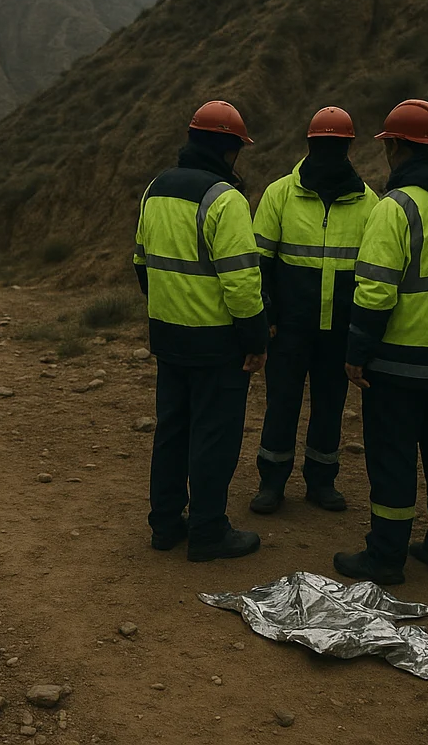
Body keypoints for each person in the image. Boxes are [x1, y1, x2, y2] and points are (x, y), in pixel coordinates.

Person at [333, 99, 428, 585]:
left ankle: (385, 557)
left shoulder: (396, 207)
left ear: (396, 146)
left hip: (399, 361)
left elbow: (375, 291)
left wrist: (357, 353)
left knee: (393, 458)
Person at [133, 101, 269, 562]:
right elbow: (242, 283)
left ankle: (165, 525)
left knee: (172, 431)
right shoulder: (224, 199)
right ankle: (208, 532)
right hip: (216, 343)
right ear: (230, 149)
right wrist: (255, 340)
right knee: (214, 436)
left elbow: (141, 261)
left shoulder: (155, 189)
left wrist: (166, 307)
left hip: (168, 337)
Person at [250, 107, 378, 514]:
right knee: (281, 405)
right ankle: (271, 483)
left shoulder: (369, 202)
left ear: (348, 147)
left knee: (330, 408)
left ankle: (322, 482)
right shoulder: (280, 194)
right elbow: (259, 263)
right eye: (323, 144)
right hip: (289, 328)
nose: (329, 152)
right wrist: (267, 315)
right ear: (310, 144)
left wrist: (360, 329)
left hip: (338, 330)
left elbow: (374, 271)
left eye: (336, 145)